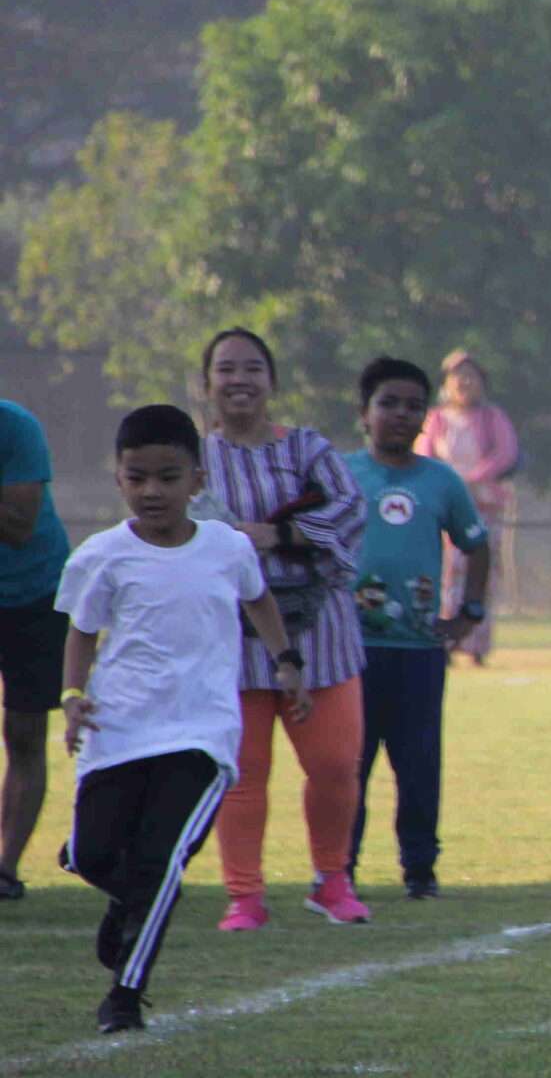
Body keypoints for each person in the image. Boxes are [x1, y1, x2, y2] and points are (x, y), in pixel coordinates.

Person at [59, 405, 307, 1034]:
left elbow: (259, 598)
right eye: (137, 477)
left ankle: (125, 994)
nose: (152, 492)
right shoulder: (102, 555)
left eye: (168, 477)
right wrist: (72, 695)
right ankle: (123, 899)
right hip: (119, 731)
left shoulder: (225, 547)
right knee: (92, 856)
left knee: (159, 863)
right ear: (118, 478)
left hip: (201, 733)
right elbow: (83, 630)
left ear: (197, 480)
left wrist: (286, 662)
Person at [196, 327, 372, 930]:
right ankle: (244, 895)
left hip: (319, 631)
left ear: (272, 381)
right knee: (243, 773)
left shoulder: (307, 449)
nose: (238, 379)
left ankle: (332, 880)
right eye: (226, 369)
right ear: (207, 383)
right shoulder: (194, 461)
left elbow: (352, 509)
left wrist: (281, 535)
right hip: (233, 638)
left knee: (334, 766)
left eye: (251, 368)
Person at [346, 357, 491, 900]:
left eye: (413, 405)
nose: (401, 415)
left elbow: (476, 544)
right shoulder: (342, 475)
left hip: (418, 651)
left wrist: (467, 615)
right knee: (347, 766)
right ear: (364, 413)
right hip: (352, 651)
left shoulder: (441, 481)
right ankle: (340, 867)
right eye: (388, 403)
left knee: (418, 764)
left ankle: (420, 868)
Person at [0, 397, 71, 900]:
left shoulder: (17, 428)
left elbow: (18, 527)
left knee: (24, 731)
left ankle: (5, 868)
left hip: (33, 592)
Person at [417, 349, 518, 665]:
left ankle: (476, 645)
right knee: (445, 574)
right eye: (457, 377)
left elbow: (505, 453)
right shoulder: (435, 419)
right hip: (443, 508)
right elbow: (423, 454)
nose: (464, 382)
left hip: (483, 506)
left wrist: (471, 479)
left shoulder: (493, 418)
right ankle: (444, 642)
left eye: (471, 376)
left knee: (480, 573)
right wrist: (449, 485)